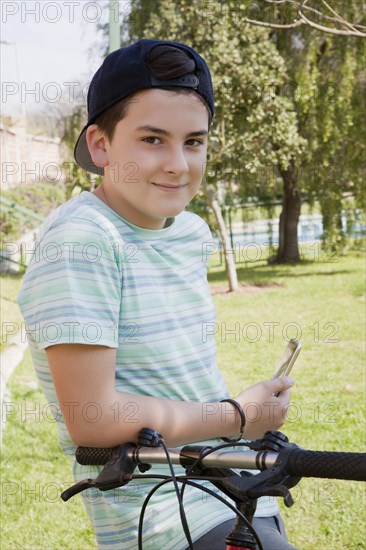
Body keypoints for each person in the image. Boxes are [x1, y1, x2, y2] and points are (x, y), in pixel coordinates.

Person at [18, 39, 296, 549]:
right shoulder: (83, 242)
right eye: (152, 139)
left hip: (236, 488)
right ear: (101, 145)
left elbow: (180, 378)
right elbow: (93, 417)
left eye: (194, 141)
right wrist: (237, 416)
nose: (177, 164)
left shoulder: (187, 232)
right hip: (166, 518)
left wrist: (242, 425)